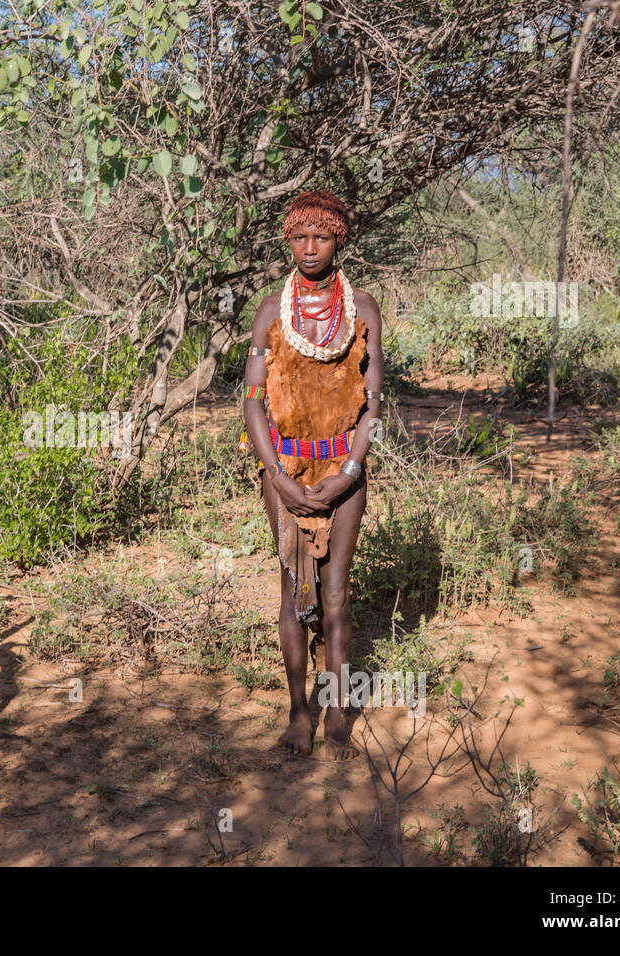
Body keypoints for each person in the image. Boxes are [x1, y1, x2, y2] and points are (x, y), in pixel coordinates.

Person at [241, 191, 383, 759]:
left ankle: (338, 714)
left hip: (342, 466)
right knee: (293, 591)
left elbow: (373, 404)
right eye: (299, 237)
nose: (310, 249)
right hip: (285, 467)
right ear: (288, 241)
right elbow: (251, 402)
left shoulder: (363, 308)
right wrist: (275, 474)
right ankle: (298, 712)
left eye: (321, 237)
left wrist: (349, 471)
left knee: (335, 594)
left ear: (340, 241)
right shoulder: (271, 312)